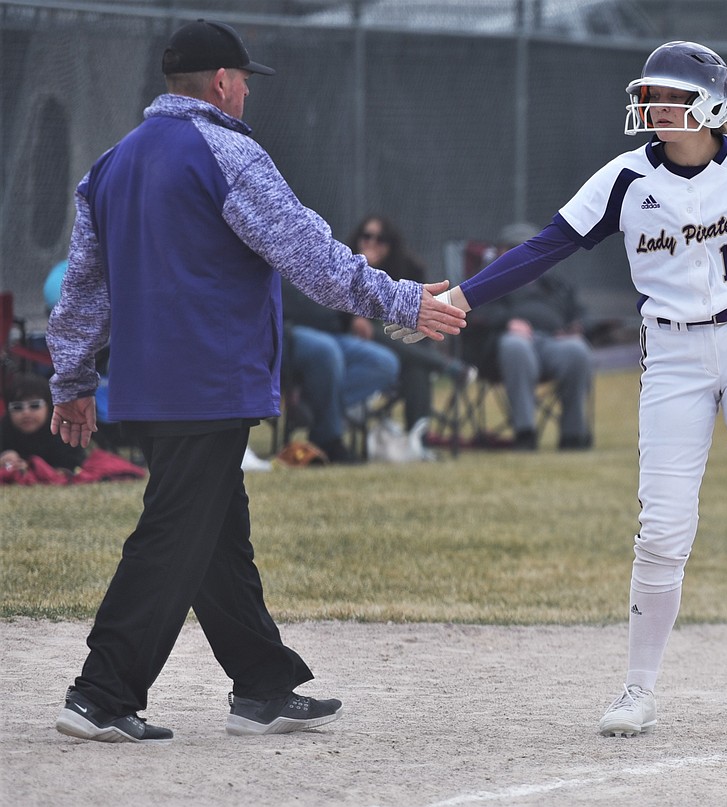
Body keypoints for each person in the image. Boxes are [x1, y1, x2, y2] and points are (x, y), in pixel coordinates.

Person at [389, 41, 727, 734]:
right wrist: (462, 296)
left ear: (713, 106)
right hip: (671, 349)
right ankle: (637, 688)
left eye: (672, 97)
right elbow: (546, 246)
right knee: (663, 529)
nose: (656, 108)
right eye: (653, 96)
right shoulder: (626, 178)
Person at [46, 19, 464, 744]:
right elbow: (311, 257)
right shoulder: (229, 152)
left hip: (149, 382)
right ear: (219, 84)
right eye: (243, 79)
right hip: (212, 378)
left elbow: (84, 288)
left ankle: (263, 687)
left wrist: (73, 378)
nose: (245, 91)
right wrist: (404, 303)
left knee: (214, 533)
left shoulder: (110, 164)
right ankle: (102, 690)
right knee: (176, 531)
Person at [461, 222, 595, 451]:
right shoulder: (487, 280)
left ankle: (573, 435)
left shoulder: (554, 284)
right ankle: (525, 433)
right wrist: (507, 322)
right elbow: (474, 314)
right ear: (501, 253)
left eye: (529, 247)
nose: (523, 254)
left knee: (578, 350)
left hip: (553, 343)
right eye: (514, 248)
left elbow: (582, 313)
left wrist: (575, 328)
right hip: (506, 347)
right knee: (516, 347)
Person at [346, 215, 475, 436]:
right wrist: (363, 266)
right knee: (376, 331)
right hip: (355, 340)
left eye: (381, 239)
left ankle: (417, 441)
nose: (372, 243)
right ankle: (446, 365)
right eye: (366, 236)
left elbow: (420, 316)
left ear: (391, 244)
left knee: (416, 366)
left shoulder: (409, 269)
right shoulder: (345, 264)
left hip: (402, 348)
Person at [280, 276, 401, 462]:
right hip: (289, 331)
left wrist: (352, 318)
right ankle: (328, 440)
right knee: (326, 350)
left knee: (384, 363)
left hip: (333, 332)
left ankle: (309, 404)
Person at [2, 373, 86, 474]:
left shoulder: (65, 433)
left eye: (34, 405)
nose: (26, 413)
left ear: (49, 407)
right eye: (17, 407)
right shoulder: (3, 430)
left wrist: (31, 468)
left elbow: (73, 468)